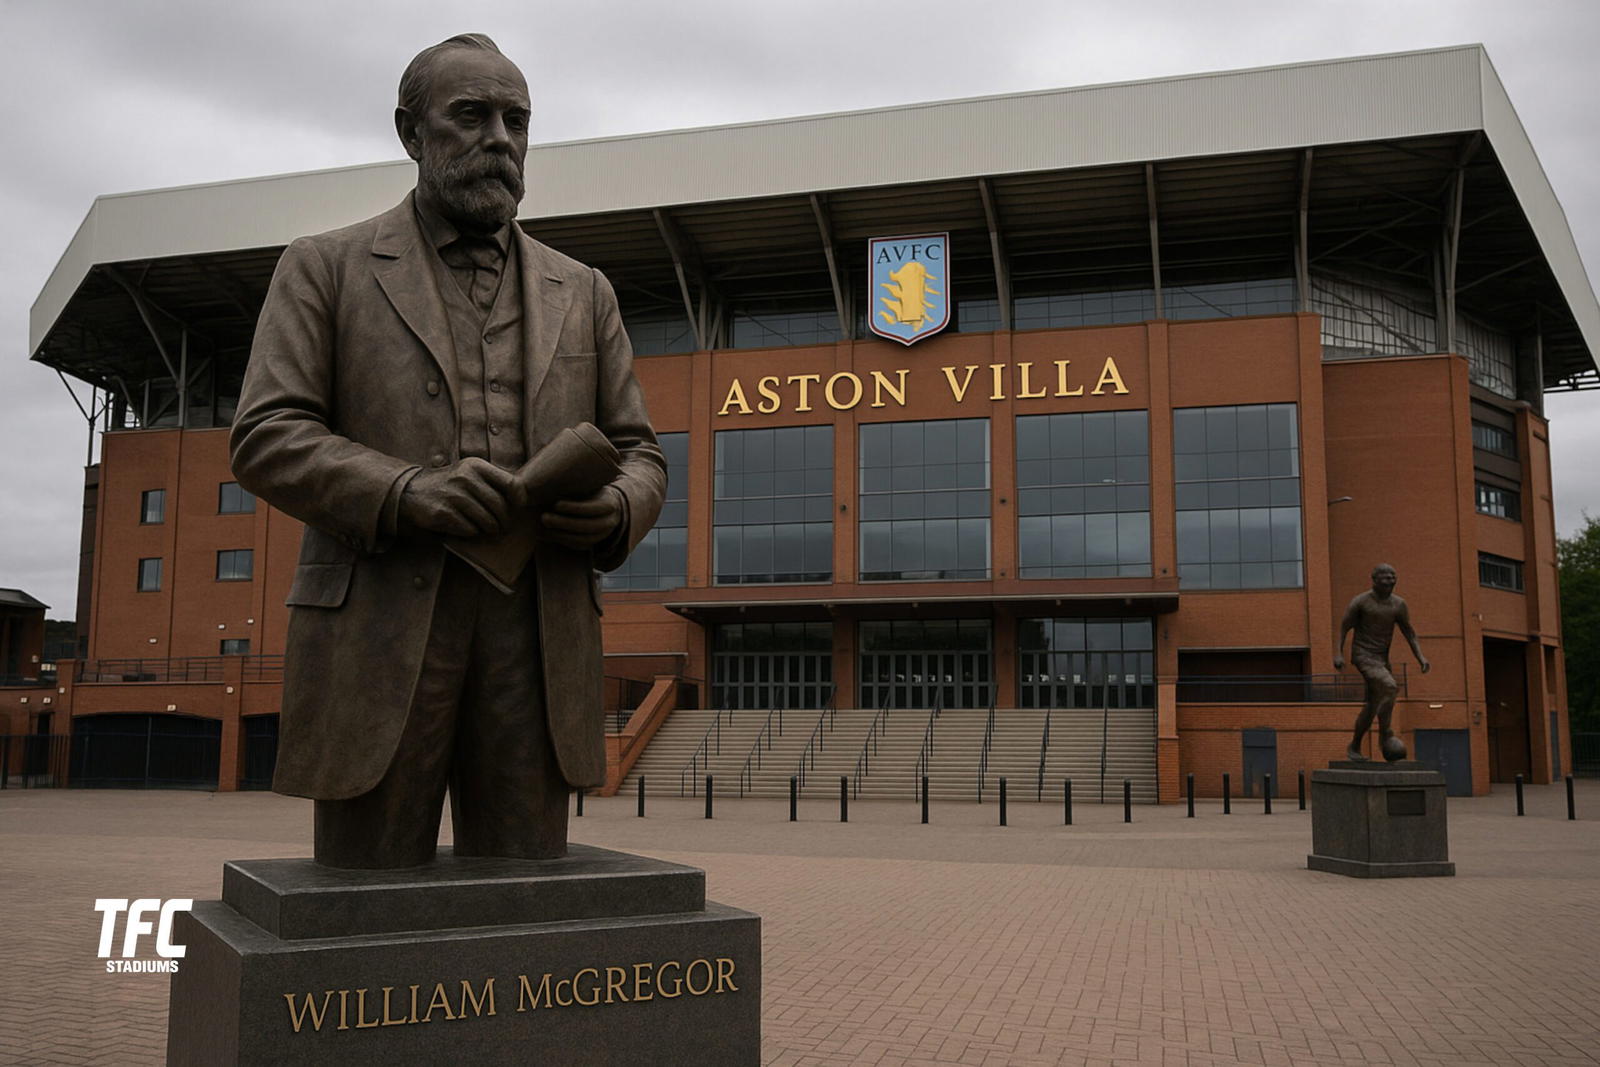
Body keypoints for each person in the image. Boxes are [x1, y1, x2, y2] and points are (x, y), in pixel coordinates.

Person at [230, 33, 665, 868]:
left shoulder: (585, 291)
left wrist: (614, 509)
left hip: (536, 640)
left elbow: (640, 450)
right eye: (471, 115)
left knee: (528, 886)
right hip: (380, 629)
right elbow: (266, 432)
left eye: (517, 120)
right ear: (410, 132)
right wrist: (404, 490)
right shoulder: (325, 267)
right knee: (363, 891)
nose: (499, 138)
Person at [1333, 563, 1430, 762]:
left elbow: (1409, 632)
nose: (1390, 581)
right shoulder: (1361, 602)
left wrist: (1420, 657)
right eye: (1386, 577)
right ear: (1374, 579)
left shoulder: (1398, 604)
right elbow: (1344, 627)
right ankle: (1385, 732)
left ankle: (1355, 746)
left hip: (1382, 659)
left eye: (1393, 577)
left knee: (1372, 705)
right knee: (1390, 686)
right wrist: (1338, 654)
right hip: (1363, 655)